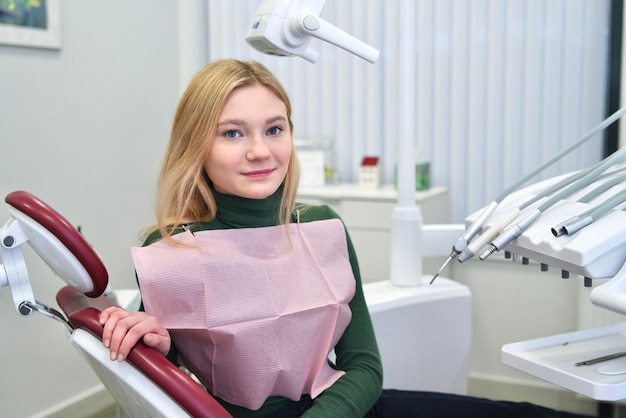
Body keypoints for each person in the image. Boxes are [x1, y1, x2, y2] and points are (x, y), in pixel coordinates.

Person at [99, 58, 596, 418]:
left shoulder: (320, 225)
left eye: (274, 129)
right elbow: (166, 393)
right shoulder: (173, 250)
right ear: (196, 145)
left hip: (345, 409)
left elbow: (363, 366)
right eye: (232, 133)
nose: (259, 150)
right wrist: (158, 351)